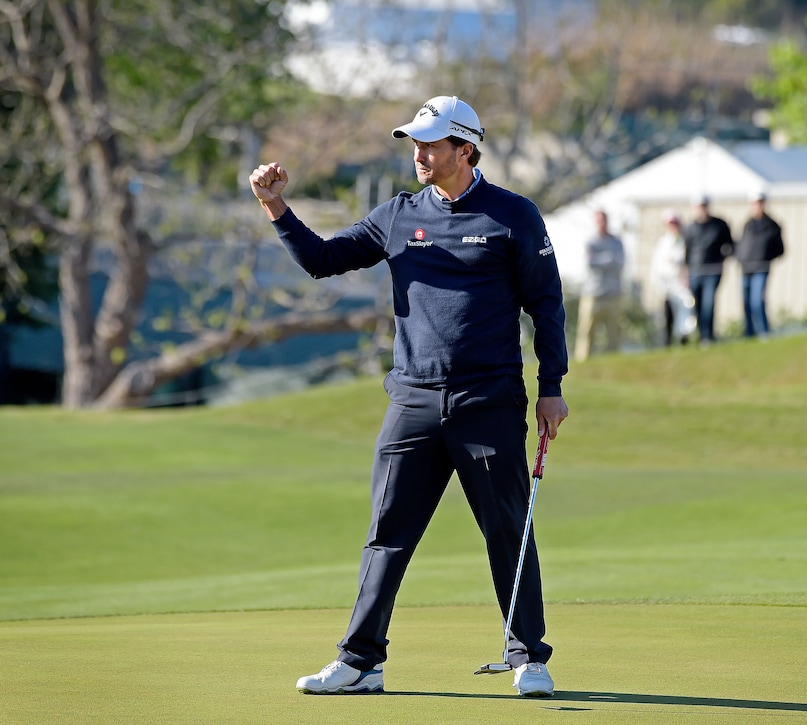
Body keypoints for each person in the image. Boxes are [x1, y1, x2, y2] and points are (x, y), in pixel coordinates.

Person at [249, 95, 569, 698]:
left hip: (489, 401)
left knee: (506, 531)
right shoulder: (398, 215)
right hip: (413, 402)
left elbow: (545, 305)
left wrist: (551, 387)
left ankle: (528, 655)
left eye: (431, 144)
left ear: (465, 148)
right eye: (415, 144)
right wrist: (275, 206)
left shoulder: (513, 216)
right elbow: (323, 260)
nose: (419, 154)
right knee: (387, 534)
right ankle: (361, 660)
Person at [574, 210, 625, 361]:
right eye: (599, 220)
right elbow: (590, 263)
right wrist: (608, 259)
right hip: (593, 293)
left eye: (604, 220)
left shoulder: (616, 242)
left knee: (614, 332)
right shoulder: (591, 241)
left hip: (613, 294)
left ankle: (613, 360)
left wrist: (600, 259)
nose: (601, 223)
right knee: (586, 331)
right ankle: (583, 360)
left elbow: (619, 263)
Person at [683, 194, 732, 345]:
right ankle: (702, 334)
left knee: (708, 304)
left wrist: (722, 259)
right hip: (695, 272)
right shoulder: (690, 228)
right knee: (697, 305)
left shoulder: (719, 225)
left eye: (703, 206)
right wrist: (685, 273)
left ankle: (708, 336)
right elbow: (687, 253)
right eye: (698, 207)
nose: (701, 210)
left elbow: (729, 245)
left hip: (713, 271)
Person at [735, 191, 784, 338]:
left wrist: (765, 257)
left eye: (760, 203)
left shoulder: (772, 225)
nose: (757, 206)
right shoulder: (747, 224)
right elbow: (742, 245)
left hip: (761, 268)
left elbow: (780, 249)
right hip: (746, 268)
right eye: (754, 203)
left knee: (757, 301)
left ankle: (763, 332)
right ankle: (749, 333)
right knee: (746, 303)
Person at [650, 210, 695, 346]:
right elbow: (657, 265)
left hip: (681, 284)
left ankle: (683, 341)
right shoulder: (663, 242)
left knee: (685, 314)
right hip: (667, 285)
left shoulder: (684, 240)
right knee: (668, 314)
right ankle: (667, 342)